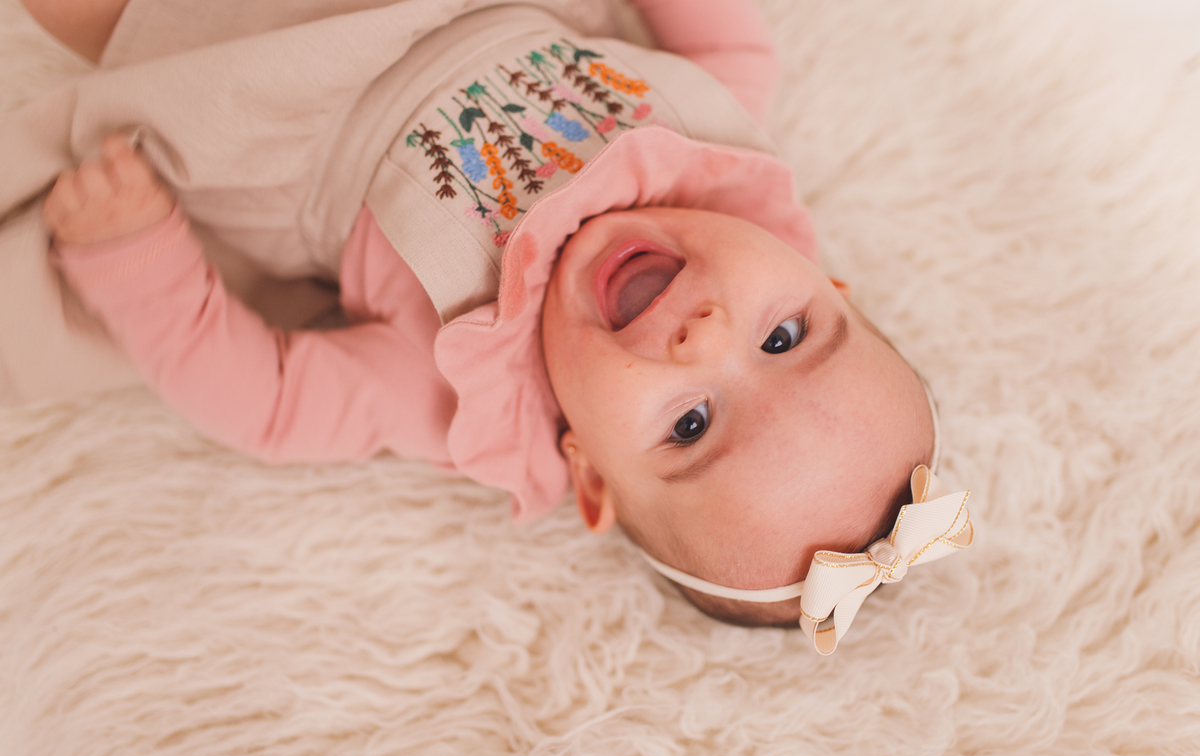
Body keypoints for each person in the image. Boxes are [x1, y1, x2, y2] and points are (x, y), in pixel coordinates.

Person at [11, 0, 973, 652]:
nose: (706, 335)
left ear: (587, 471)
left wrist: (137, 258)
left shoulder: (461, 383)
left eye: (691, 425)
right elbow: (733, 44)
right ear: (823, 277)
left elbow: (271, 401)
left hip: (282, 82)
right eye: (784, 338)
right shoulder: (713, 145)